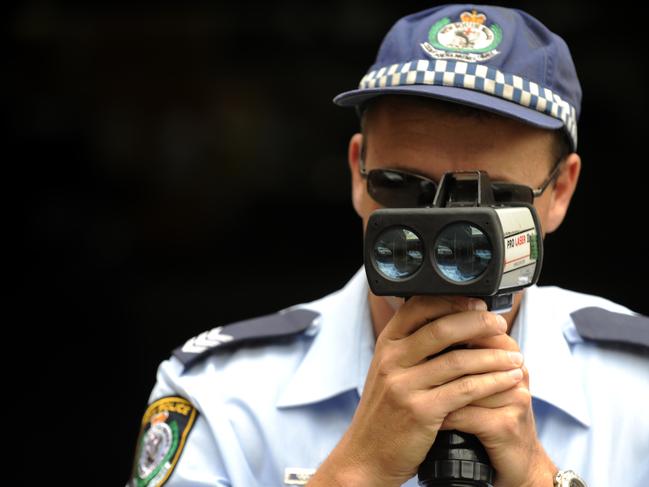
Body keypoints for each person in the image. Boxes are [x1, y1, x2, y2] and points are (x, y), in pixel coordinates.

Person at [127, 4, 649, 487]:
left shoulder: (635, 390)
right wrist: (355, 470)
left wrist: (539, 476)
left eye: (494, 197)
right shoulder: (225, 394)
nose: (448, 232)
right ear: (358, 174)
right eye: (403, 187)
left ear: (559, 193)